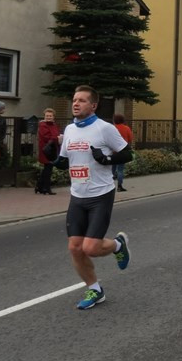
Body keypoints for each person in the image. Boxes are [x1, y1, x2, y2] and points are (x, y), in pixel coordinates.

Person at [43, 85, 134, 310]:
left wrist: (106, 160)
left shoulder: (105, 128)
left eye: (82, 100)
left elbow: (127, 154)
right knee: (75, 248)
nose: (76, 103)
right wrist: (53, 158)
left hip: (100, 194)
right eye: (74, 99)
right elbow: (66, 161)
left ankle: (117, 245)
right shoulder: (70, 129)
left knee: (91, 248)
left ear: (93, 105)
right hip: (77, 195)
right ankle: (95, 289)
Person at [35, 108, 60, 195]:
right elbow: (46, 137)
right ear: (44, 116)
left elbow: (56, 135)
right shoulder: (43, 125)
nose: (48, 117)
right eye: (47, 116)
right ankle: (46, 188)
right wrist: (56, 138)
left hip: (53, 149)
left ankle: (39, 186)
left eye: (50, 116)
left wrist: (56, 137)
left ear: (53, 117)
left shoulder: (54, 125)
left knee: (48, 168)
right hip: (46, 150)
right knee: (48, 168)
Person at [112, 114, 134, 192]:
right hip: (123, 151)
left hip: (113, 151)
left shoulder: (112, 128)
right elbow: (130, 139)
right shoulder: (126, 128)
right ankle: (119, 186)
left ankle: (109, 186)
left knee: (112, 169)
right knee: (120, 170)